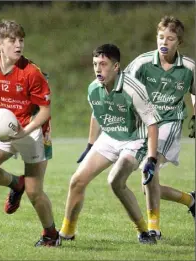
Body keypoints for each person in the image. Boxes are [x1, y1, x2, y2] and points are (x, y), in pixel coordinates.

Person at [78, 16, 195, 240]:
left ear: (178, 42)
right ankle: (190, 200)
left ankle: (154, 229)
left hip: (169, 123)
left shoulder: (189, 67)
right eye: (161, 36)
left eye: (170, 38)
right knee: (147, 183)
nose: (164, 41)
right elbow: (122, 83)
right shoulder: (142, 62)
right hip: (144, 125)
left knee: (148, 173)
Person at [0, 20, 61, 247]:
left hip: (33, 131)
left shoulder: (32, 73)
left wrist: (25, 131)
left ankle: (50, 235)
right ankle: (16, 184)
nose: (19, 45)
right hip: (4, 127)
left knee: (35, 193)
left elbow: (45, 112)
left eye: (21, 40)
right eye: (12, 40)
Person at [59, 43, 162, 245]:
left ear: (116, 67)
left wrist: (151, 158)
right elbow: (97, 113)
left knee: (115, 181)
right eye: (95, 64)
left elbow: (152, 123)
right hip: (110, 137)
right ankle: (66, 232)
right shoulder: (93, 89)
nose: (98, 68)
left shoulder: (133, 89)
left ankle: (143, 231)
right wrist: (90, 145)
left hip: (135, 139)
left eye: (103, 64)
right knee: (77, 180)